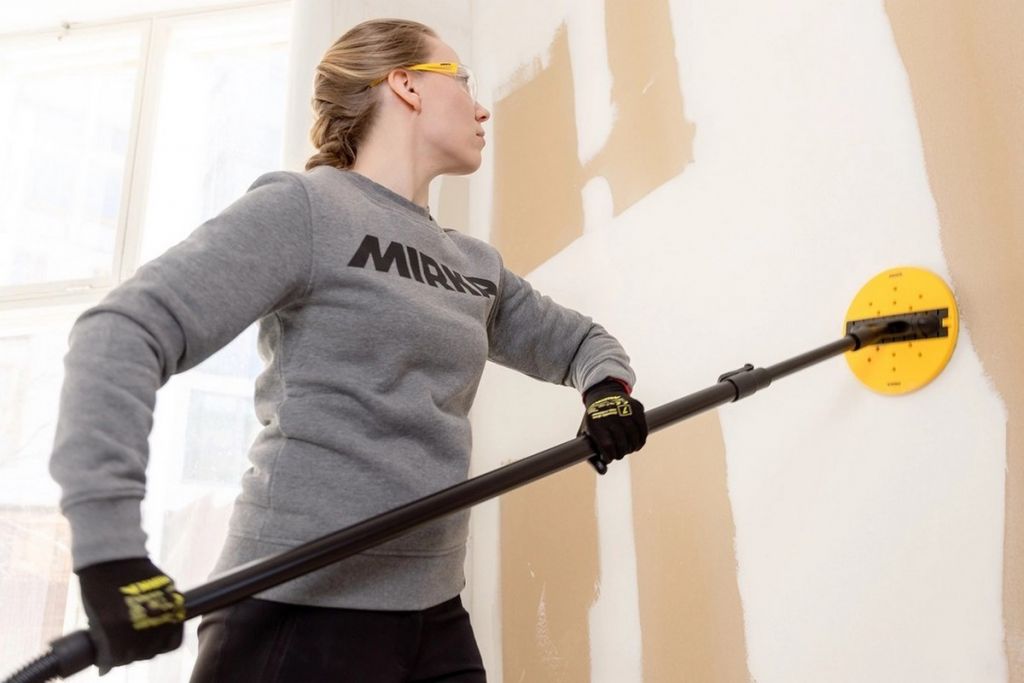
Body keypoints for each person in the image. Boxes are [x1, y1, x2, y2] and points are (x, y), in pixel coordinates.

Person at [49, 17, 648, 682]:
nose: (482, 109)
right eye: (463, 81)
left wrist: (606, 394)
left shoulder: (474, 265)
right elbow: (120, 332)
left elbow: (583, 343)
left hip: (434, 610)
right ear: (406, 85)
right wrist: (108, 552)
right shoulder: (308, 210)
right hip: (297, 607)